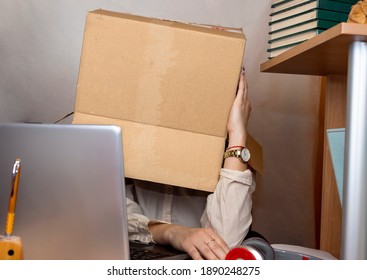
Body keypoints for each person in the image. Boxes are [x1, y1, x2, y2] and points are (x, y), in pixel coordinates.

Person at [126, 68, 255, 260]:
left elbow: (226, 245)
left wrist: (237, 133)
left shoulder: (234, 157)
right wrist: (171, 232)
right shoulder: (129, 138)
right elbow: (108, 216)